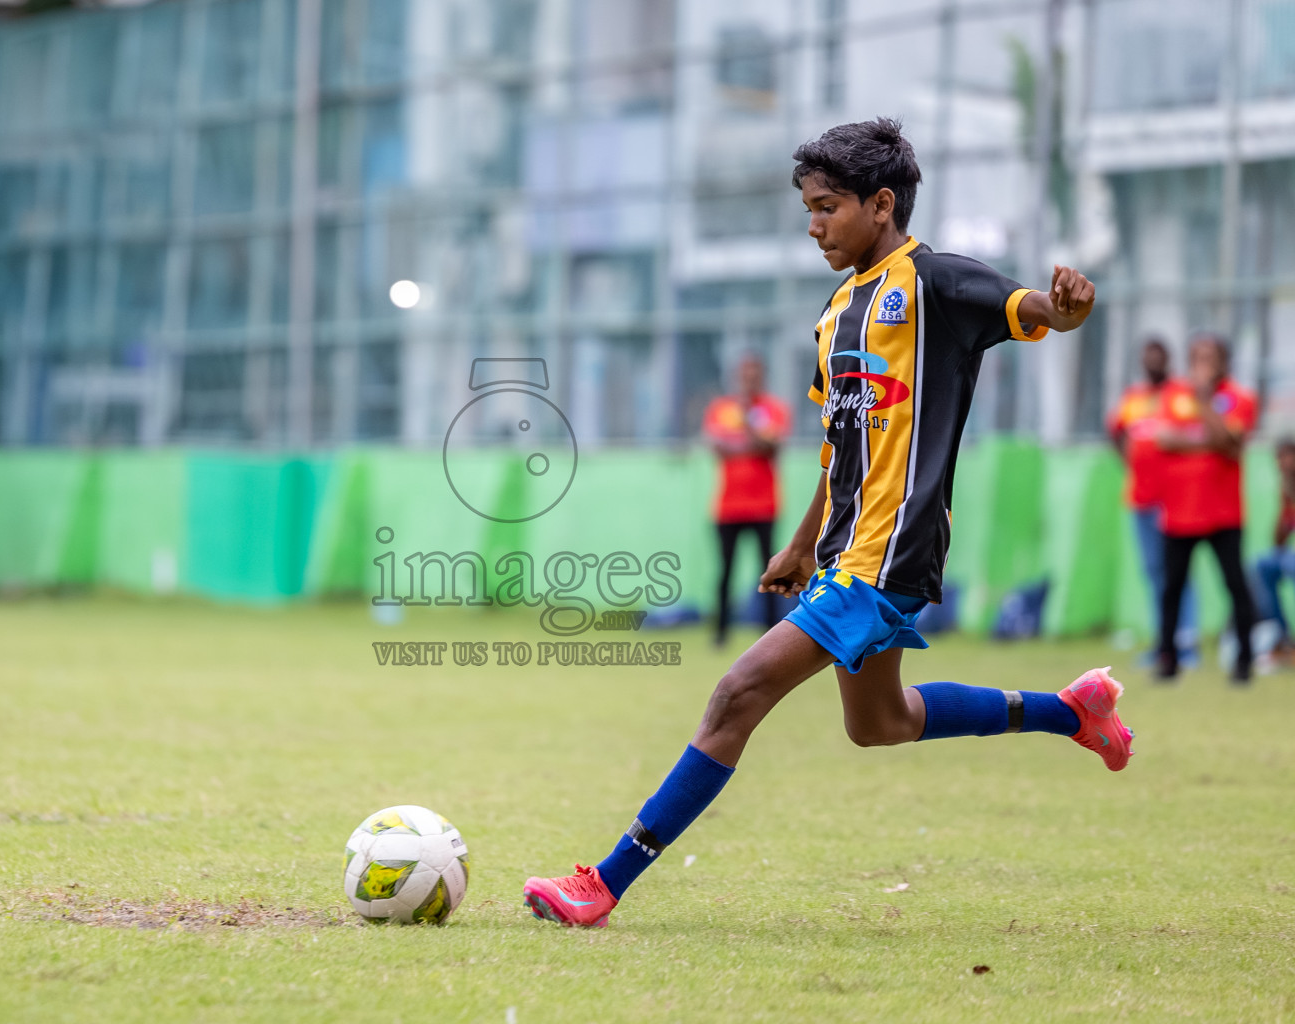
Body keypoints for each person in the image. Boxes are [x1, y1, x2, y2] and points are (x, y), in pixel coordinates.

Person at [522, 118, 1131, 929]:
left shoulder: (941, 285)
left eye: (828, 208)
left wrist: (1067, 308)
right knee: (881, 723)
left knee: (736, 694)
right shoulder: (838, 311)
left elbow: (1039, 312)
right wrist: (806, 539)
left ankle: (603, 882)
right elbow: (840, 446)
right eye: (808, 208)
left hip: (890, 555)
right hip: (845, 552)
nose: (813, 225)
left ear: (882, 204)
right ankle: (1072, 712)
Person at [1154, 334, 1259, 683]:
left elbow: (1231, 445)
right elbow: (1164, 437)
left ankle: (1244, 662)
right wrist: (1207, 438)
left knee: (1235, 585)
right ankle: (1167, 661)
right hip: (1179, 512)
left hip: (1223, 513)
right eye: (1196, 356)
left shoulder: (1240, 398)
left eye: (1209, 357)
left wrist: (1203, 405)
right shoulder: (1173, 394)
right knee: (1172, 588)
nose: (1201, 363)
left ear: (1223, 361)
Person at [1107, 339, 1198, 664]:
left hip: (1174, 499)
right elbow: (1115, 430)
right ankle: (1165, 643)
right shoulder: (1134, 398)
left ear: (1167, 360)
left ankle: (1186, 644)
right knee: (1154, 571)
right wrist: (1130, 460)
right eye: (1147, 356)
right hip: (1141, 499)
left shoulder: (1182, 394)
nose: (1152, 362)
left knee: (1178, 571)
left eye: (1158, 356)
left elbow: (1196, 433)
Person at [703, 355, 792, 645]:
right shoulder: (721, 408)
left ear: (762, 377)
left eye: (754, 374)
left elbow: (772, 446)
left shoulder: (772, 409)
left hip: (764, 506)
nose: (749, 379)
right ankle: (720, 633)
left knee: (768, 571)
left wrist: (749, 428)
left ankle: (771, 632)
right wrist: (752, 443)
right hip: (728, 507)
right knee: (725, 570)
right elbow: (718, 446)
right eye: (745, 374)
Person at [1251, 439, 1295, 658]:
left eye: (1287, 456)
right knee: (1263, 564)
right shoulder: (1288, 489)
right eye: (1278, 458)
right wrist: (1285, 501)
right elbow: (1280, 540)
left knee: (1290, 563)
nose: (1282, 463)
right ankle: (1282, 637)